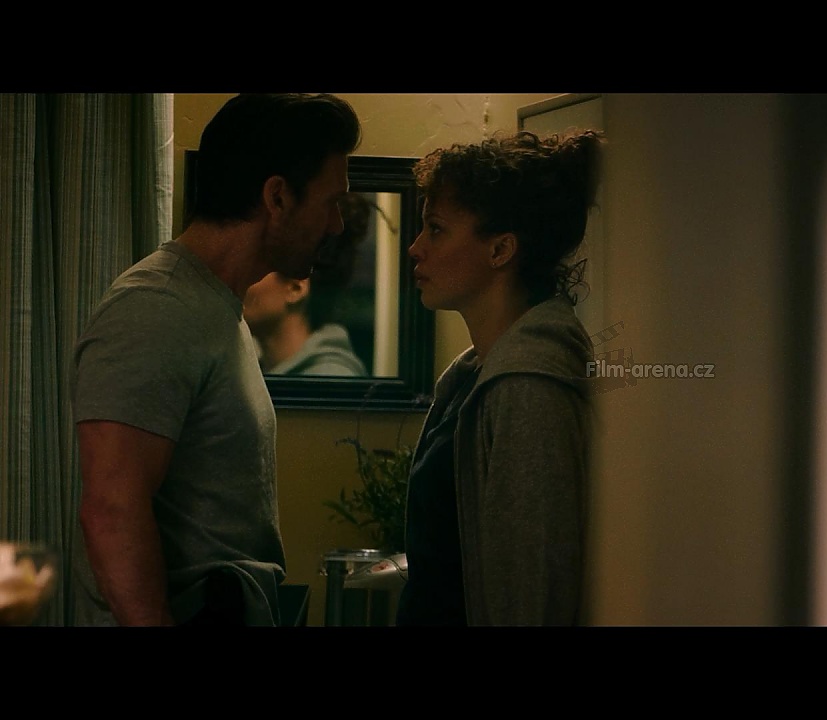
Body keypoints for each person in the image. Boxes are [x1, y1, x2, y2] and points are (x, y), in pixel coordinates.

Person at [71, 93, 361, 626]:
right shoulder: (156, 307)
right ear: (277, 197)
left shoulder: (218, 308)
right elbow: (111, 511)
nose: (337, 224)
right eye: (331, 202)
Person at [396, 129, 603, 626]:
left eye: (436, 229)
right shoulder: (477, 374)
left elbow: (531, 593)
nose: (416, 248)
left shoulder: (527, 389)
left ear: (501, 249)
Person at [244, 191, 371, 377]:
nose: (243, 278)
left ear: (296, 288)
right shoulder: (255, 375)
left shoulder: (329, 380)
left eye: (257, 266)